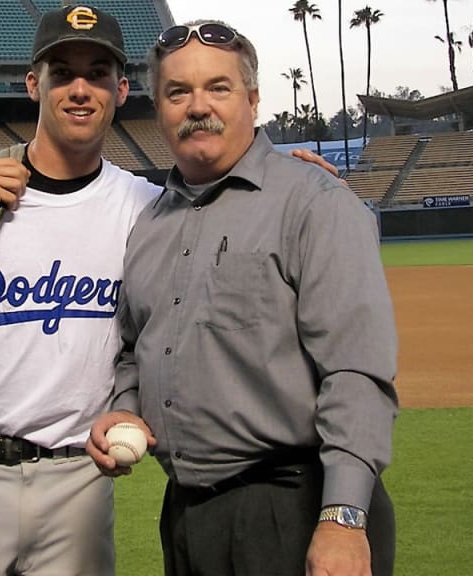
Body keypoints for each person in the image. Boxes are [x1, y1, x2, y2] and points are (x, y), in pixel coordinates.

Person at [0, 5, 339, 573]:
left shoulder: (145, 208)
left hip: (78, 481)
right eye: (63, 72)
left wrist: (285, 176)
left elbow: (229, 205)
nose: (80, 89)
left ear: (121, 90)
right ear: (33, 84)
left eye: (97, 73)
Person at [86, 20, 398, 576]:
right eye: (177, 92)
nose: (197, 106)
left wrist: (344, 519)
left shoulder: (314, 203)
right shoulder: (150, 223)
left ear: (253, 99)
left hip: (298, 505)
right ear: (158, 108)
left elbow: (356, 373)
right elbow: (136, 348)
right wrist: (124, 408)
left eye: (218, 88)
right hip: (187, 512)